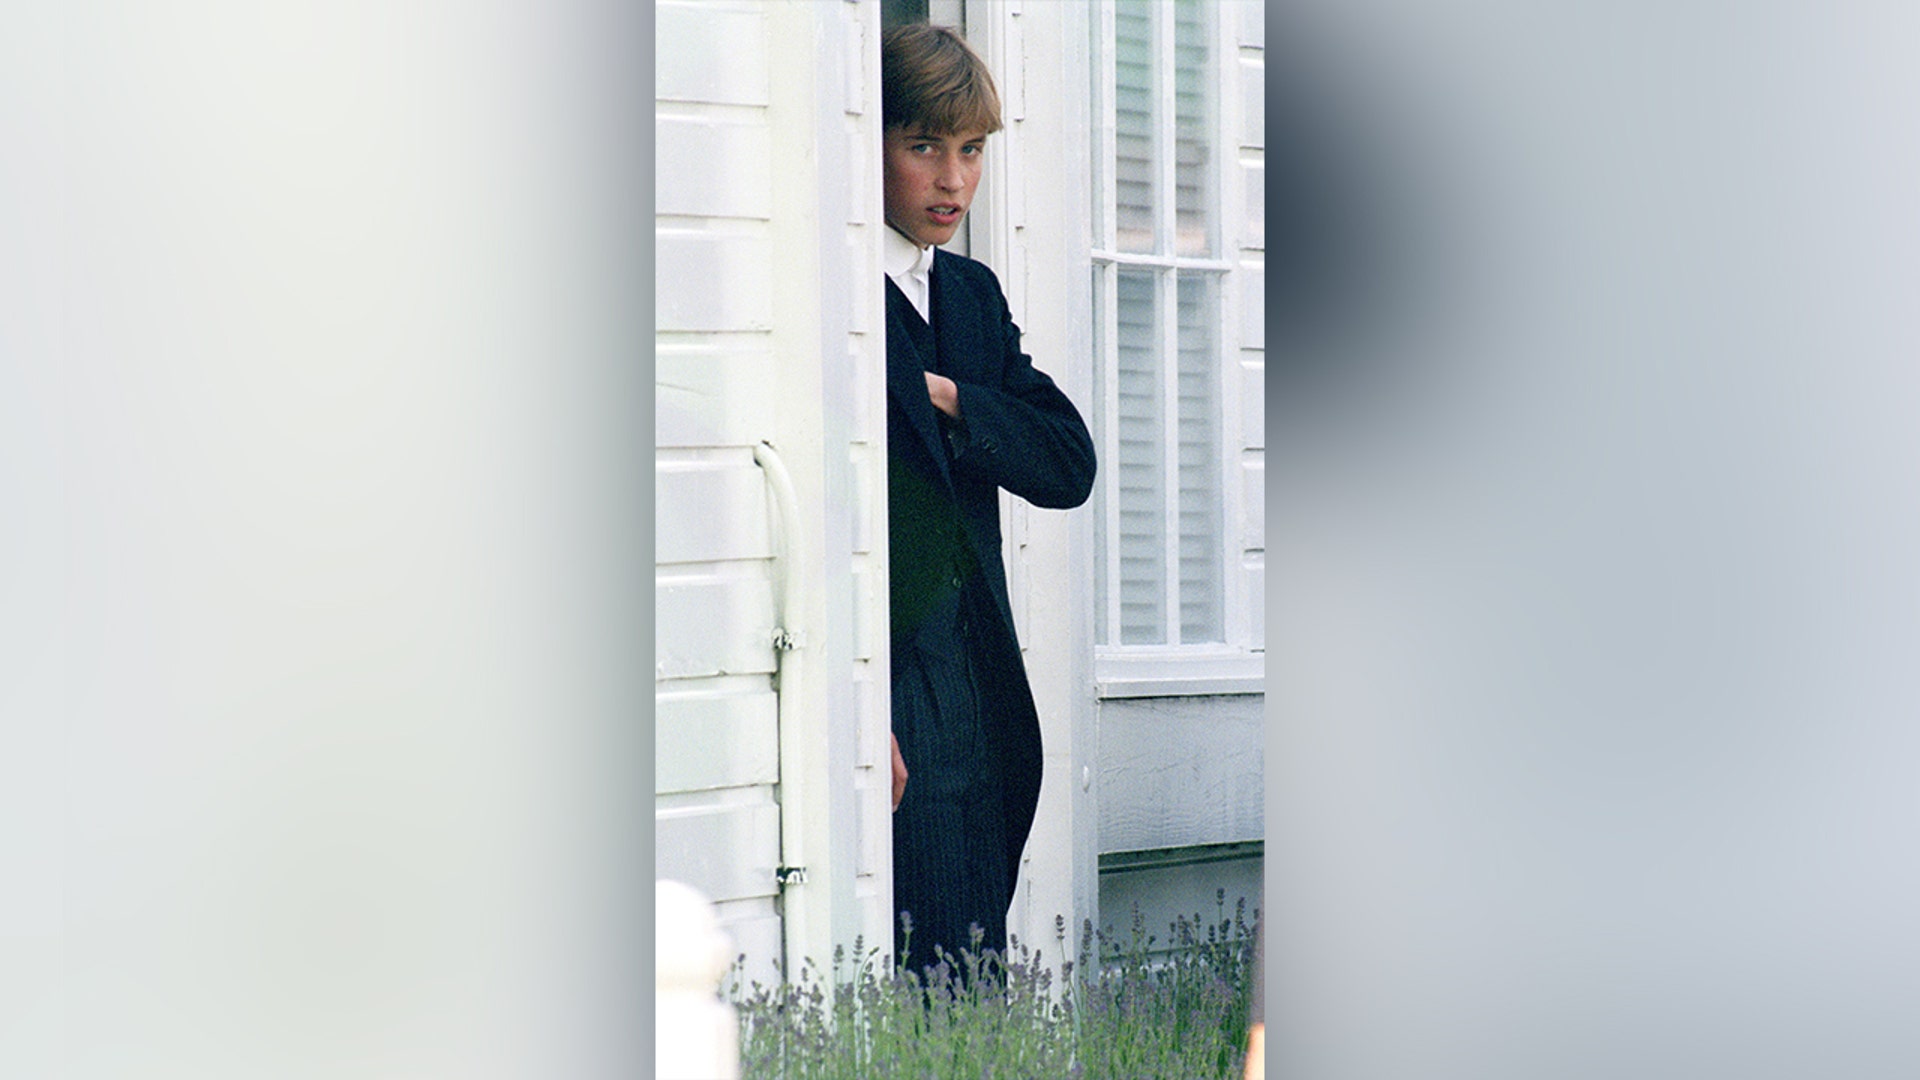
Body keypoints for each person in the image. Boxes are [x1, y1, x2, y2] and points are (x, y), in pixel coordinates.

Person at [878, 23, 1096, 976]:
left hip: (982, 688)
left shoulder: (968, 296)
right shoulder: (828, 289)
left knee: (973, 970)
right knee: (915, 974)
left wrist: (956, 395)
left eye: (969, 151)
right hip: (891, 683)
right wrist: (858, 716)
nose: (953, 180)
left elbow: (1066, 463)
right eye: (923, 145)